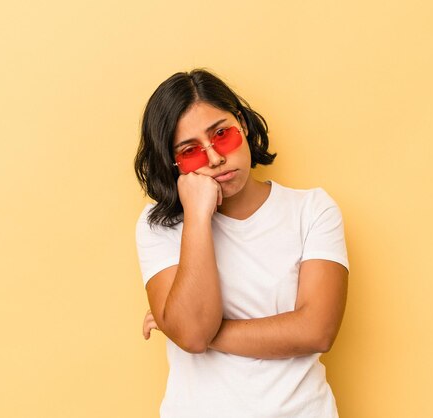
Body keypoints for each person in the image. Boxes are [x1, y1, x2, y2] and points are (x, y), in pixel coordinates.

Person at [134, 69, 349, 418]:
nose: (215, 158)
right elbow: (190, 333)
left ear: (243, 125)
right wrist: (198, 216)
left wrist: (187, 328)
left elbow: (317, 330)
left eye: (222, 134)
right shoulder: (159, 226)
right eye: (191, 152)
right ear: (174, 164)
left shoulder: (312, 210)